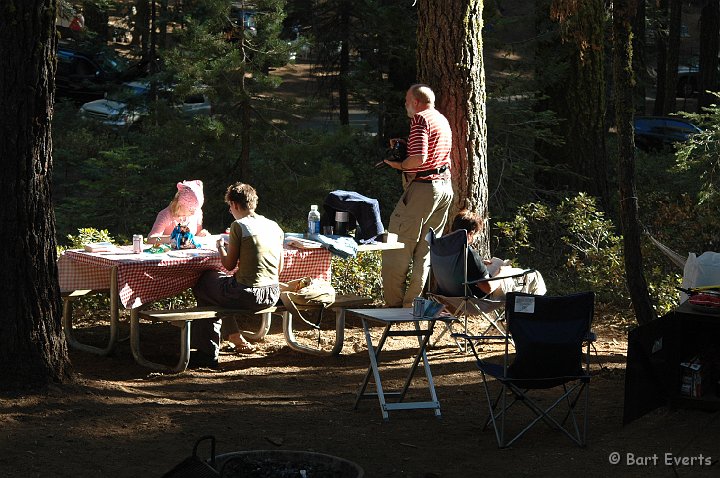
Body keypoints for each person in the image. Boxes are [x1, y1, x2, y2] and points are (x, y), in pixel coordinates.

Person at [189, 182, 284, 368]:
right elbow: (279, 269)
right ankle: (230, 337)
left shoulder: (239, 225)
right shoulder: (274, 226)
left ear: (233, 204)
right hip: (273, 293)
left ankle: (207, 352)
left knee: (205, 281)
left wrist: (220, 247)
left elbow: (229, 265)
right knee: (212, 289)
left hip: (248, 294)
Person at [381, 84, 454, 307]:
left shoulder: (420, 119)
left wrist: (399, 164)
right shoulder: (441, 119)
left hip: (424, 188)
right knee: (425, 250)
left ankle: (393, 305)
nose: (405, 105)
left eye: (406, 100)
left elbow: (419, 158)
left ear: (415, 102)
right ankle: (412, 305)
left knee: (398, 244)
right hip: (445, 187)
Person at [450, 209, 546, 298]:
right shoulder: (469, 254)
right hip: (479, 298)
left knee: (508, 269)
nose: (475, 238)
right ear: (470, 234)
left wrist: (480, 263)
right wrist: (502, 272)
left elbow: (461, 268)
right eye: (476, 235)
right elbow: (488, 289)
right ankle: (534, 311)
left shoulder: (446, 250)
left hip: (452, 296)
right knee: (533, 275)